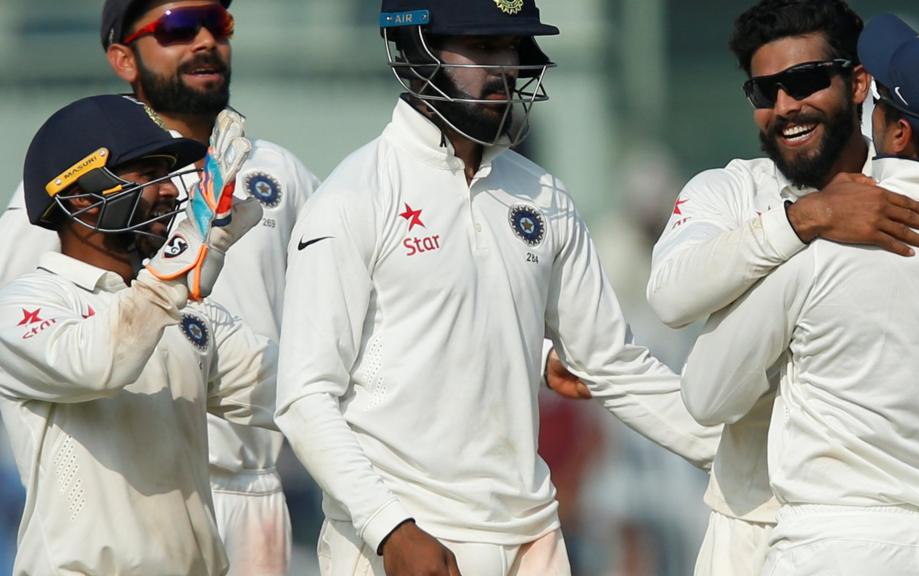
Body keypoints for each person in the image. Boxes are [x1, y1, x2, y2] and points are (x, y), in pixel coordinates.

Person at [274, 1, 721, 575]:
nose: (503, 70)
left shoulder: (544, 197)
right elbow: (305, 396)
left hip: (534, 538)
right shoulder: (351, 199)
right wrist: (389, 528)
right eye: (482, 48)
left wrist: (731, 453)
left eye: (510, 49)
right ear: (414, 49)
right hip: (408, 541)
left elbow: (614, 363)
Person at [681, 15, 919, 575]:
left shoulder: (821, 243)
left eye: (880, 101)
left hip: (827, 544)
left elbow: (704, 395)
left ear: (898, 133)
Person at [0, 1, 320, 572]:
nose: (173, 193)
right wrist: (188, 259)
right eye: (147, 176)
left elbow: (304, 385)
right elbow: (97, 360)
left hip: (238, 511)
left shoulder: (196, 312)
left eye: (217, 25)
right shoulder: (28, 296)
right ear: (79, 199)